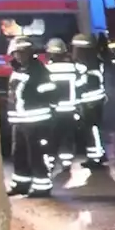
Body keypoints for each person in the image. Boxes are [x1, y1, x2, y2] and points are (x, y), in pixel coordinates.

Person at [5, 36, 56, 197]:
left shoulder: (38, 70)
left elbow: (50, 92)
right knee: (18, 154)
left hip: (35, 121)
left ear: (30, 52)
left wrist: (34, 96)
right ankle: (21, 184)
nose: (20, 56)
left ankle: (42, 186)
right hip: (19, 121)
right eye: (17, 53)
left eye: (23, 52)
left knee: (36, 154)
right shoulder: (17, 70)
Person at [71, 33, 108, 166]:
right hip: (97, 99)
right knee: (95, 128)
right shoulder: (96, 60)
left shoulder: (83, 64)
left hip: (89, 101)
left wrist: (72, 87)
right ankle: (99, 154)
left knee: (91, 129)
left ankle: (95, 157)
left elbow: (82, 83)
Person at [44, 38, 80, 172]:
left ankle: (51, 162)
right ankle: (66, 162)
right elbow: (79, 86)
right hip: (70, 110)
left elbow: (45, 89)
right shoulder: (73, 68)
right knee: (67, 137)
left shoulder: (47, 69)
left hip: (53, 110)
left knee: (51, 137)